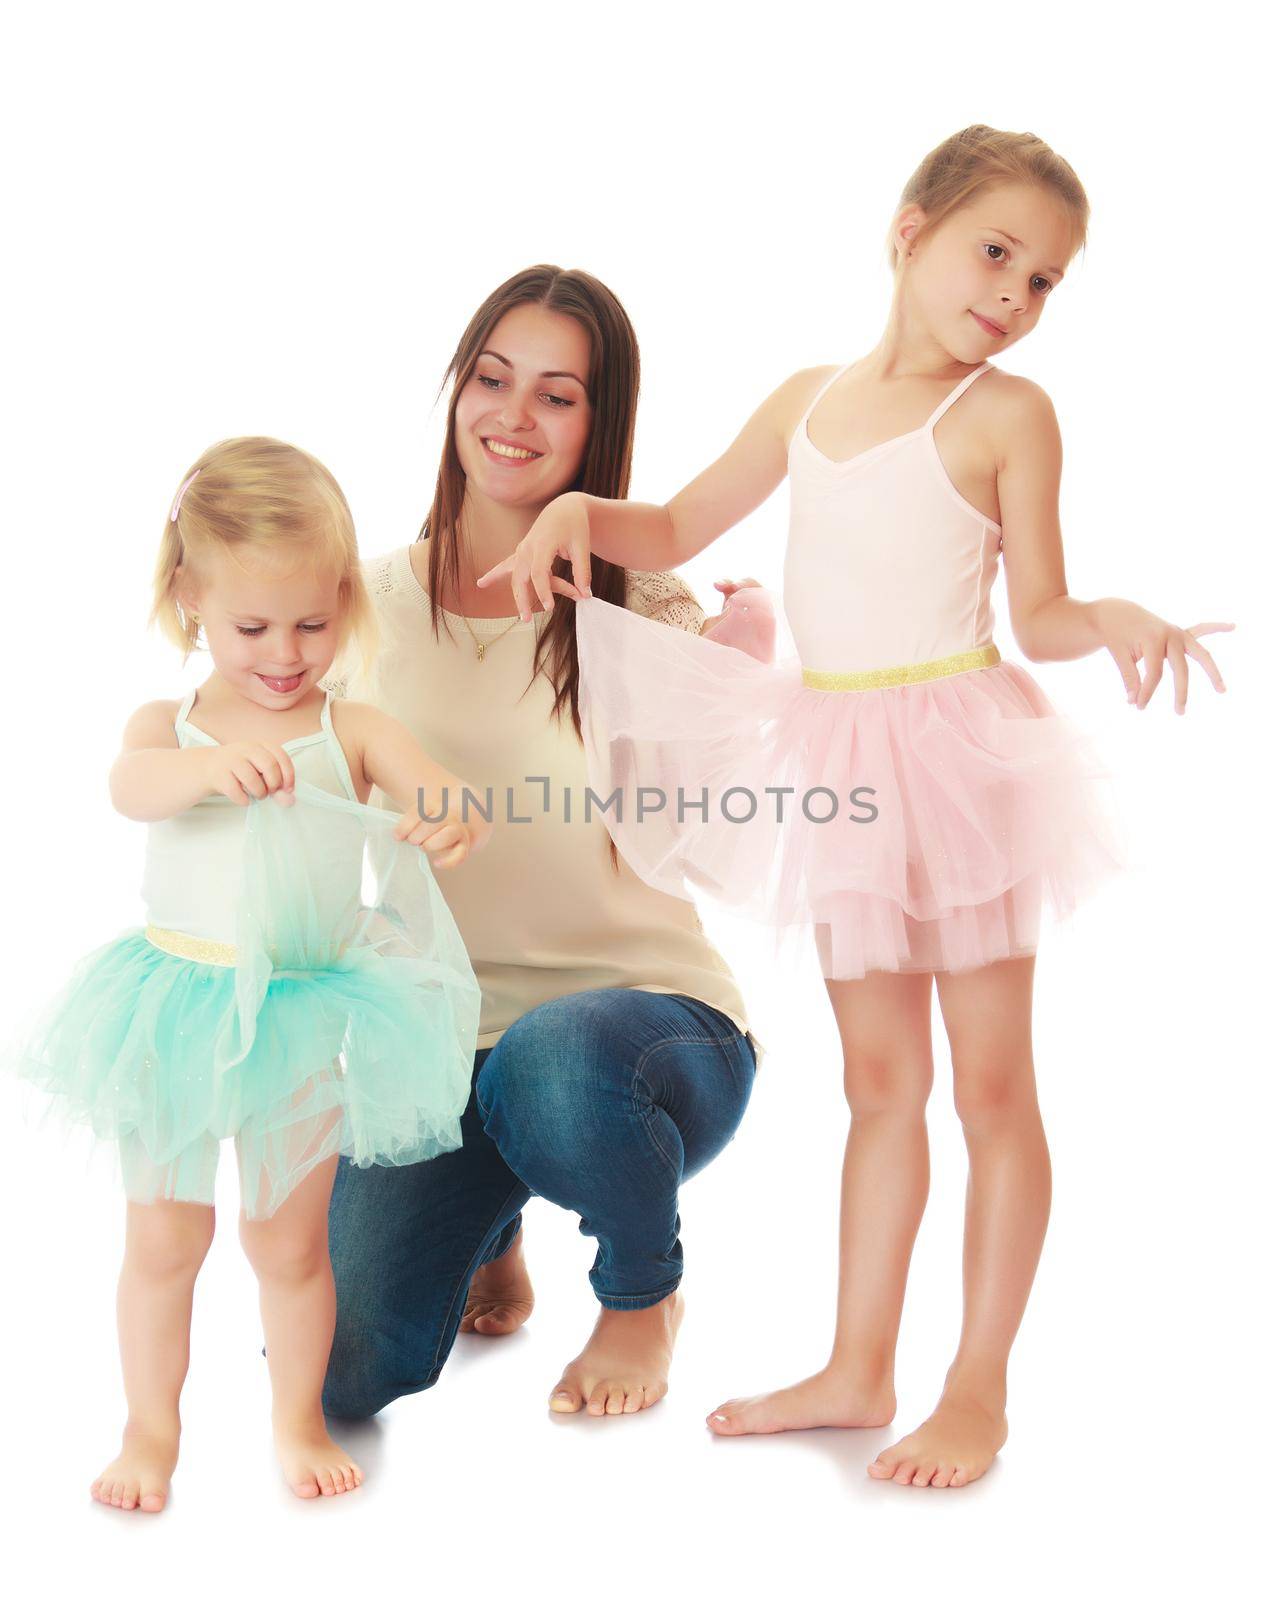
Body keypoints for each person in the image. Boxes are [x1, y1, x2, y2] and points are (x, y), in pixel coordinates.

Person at [478, 126, 1234, 1486]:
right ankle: (858, 1365)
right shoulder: (807, 401)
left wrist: (1113, 613)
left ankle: (978, 1391)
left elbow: (1045, 611)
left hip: (962, 751)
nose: (1012, 296)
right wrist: (567, 520)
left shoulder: (1008, 416)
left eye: (1046, 280)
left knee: (993, 1090)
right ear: (911, 227)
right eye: (993, 252)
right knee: (881, 1087)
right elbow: (678, 529)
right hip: (837, 757)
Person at [320, 265, 772, 1425]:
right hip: (439, 1048)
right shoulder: (359, 606)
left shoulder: (643, 608)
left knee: (551, 1058)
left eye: (556, 395)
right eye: (491, 379)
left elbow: (717, 830)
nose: (512, 417)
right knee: (342, 1371)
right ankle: (490, 1232)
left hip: (643, 1038)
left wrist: (733, 679)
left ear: (597, 423)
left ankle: (640, 1293)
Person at [6, 437, 487, 1510]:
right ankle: (149, 1432)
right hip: (177, 1004)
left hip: (303, 1013)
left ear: (344, 603)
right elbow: (131, 786)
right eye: (252, 627)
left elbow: (440, 787)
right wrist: (206, 767)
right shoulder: (167, 726)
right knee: (166, 1236)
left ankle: (297, 1417)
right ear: (190, 600)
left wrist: (451, 813)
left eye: (313, 624)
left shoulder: (347, 724)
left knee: (288, 1240)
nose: (285, 653)